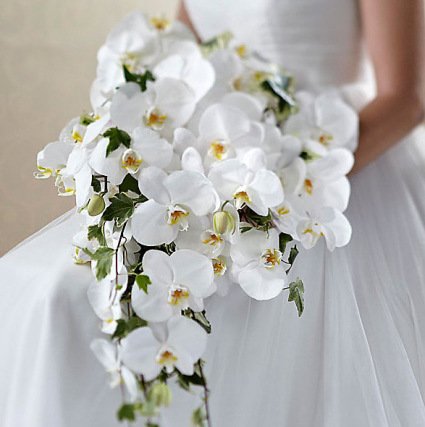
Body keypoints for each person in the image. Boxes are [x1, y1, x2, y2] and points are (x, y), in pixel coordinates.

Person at [1, 0, 425, 426]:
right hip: (226, 162)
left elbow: (406, 99)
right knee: (46, 291)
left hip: (334, 172)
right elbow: (191, 55)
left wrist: (284, 188)